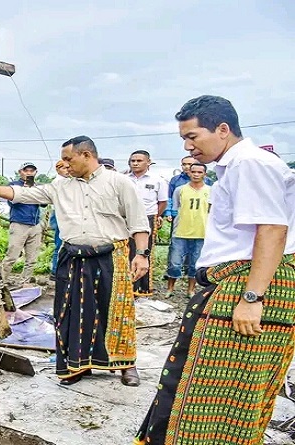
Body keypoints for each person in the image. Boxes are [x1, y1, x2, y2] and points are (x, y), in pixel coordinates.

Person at [136, 95, 295, 445]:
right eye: (184, 139)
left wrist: (253, 297)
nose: (189, 147)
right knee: (203, 385)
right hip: (236, 281)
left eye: (193, 136)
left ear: (223, 129)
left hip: (248, 284)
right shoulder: (237, 167)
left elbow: (272, 229)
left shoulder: (250, 164)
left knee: (217, 393)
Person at [0, 136, 150, 386]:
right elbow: (21, 194)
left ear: (87, 155)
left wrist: (142, 255)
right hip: (73, 257)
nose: (65, 164)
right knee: (71, 314)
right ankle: (77, 366)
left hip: (112, 255)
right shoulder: (60, 186)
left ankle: (126, 365)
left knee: (117, 312)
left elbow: (138, 222)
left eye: (69, 159)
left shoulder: (118, 182)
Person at [165, 163, 210, 297]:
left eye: (199, 172)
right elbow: (175, 207)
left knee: (195, 263)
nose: (196, 174)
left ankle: (191, 290)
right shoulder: (180, 189)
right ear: (189, 173)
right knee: (174, 262)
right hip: (181, 231)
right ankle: (170, 289)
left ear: (204, 174)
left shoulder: (210, 190)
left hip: (201, 231)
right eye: (193, 172)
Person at [127, 150, 168, 297]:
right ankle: (127, 286)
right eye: (133, 161)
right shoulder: (125, 179)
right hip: (127, 219)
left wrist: (156, 215)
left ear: (148, 162)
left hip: (147, 218)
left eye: (139, 160)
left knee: (144, 252)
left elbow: (162, 202)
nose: (135, 163)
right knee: (126, 251)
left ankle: (142, 289)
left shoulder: (157, 180)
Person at [2, 162, 45, 285]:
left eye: (32, 171)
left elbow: (44, 203)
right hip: (19, 224)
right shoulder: (13, 186)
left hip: (35, 224)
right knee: (12, 256)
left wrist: (34, 189)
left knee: (32, 259)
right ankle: (2, 282)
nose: (29, 173)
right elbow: (12, 202)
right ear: (20, 172)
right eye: (26, 171)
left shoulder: (37, 187)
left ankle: (24, 282)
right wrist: (26, 189)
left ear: (36, 173)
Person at [49, 160, 70, 279]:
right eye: (64, 168)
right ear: (58, 169)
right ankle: (55, 271)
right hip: (59, 214)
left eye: (68, 168)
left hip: (63, 214)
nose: (67, 170)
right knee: (59, 243)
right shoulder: (58, 182)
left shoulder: (67, 181)